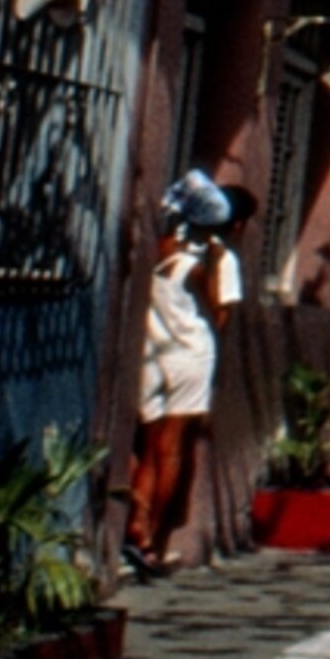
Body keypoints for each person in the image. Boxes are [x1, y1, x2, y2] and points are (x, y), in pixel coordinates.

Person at [129, 170, 252, 573]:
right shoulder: (215, 261)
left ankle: (137, 522)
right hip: (190, 356)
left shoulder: (159, 248)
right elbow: (220, 316)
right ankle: (155, 540)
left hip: (151, 351)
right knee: (172, 450)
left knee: (148, 447)